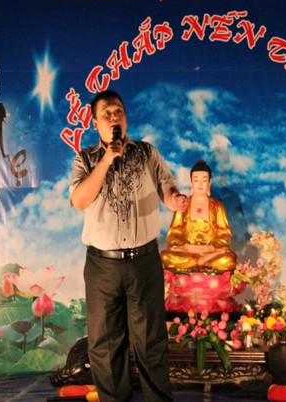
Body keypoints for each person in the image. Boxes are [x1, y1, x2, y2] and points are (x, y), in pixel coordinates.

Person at [70, 89, 187, 402]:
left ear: (126, 116)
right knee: (106, 347)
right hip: (102, 265)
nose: (114, 117)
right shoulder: (86, 158)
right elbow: (79, 200)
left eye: (118, 111)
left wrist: (174, 200)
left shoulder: (147, 152)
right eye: (106, 113)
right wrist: (107, 159)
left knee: (151, 342)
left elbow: (166, 186)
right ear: (95, 123)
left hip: (143, 261)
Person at [161, 159, 237, 272]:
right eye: (196, 180)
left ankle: (198, 261)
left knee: (229, 259)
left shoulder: (217, 207)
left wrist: (211, 248)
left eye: (204, 180)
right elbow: (174, 232)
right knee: (166, 256)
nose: (200, 184)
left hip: (210, 252)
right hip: (188, 251)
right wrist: (186, 246)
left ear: (209, 182)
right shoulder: (183, 204)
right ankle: (202, 261)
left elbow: (224, 234)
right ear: (191, 182)